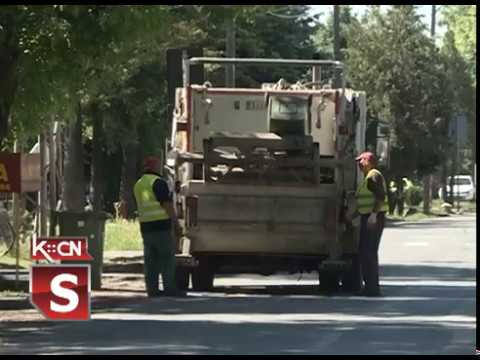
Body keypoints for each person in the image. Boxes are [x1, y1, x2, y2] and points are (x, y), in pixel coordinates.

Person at [133, 156, 185, 297]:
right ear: (156, 167)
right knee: (167, 259)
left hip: (146, 227)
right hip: (161, 226)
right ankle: (170, 289)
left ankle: (152, 290)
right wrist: (175, 223)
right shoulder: (158, 183)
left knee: (150, 260)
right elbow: (167, 205)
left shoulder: (138, 184)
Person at [347, 151, 388, 297]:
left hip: (374, 219)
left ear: (369, 162)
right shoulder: (367, 178)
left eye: (361, 161)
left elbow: (380, 196)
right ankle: (369, 287)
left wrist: (373, 215)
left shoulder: (373, 175)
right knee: (365, 252)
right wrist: (354, 216)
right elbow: (365, 202)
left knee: (368, 253)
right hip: (369, 217)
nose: (359, 164)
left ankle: (372, 288)